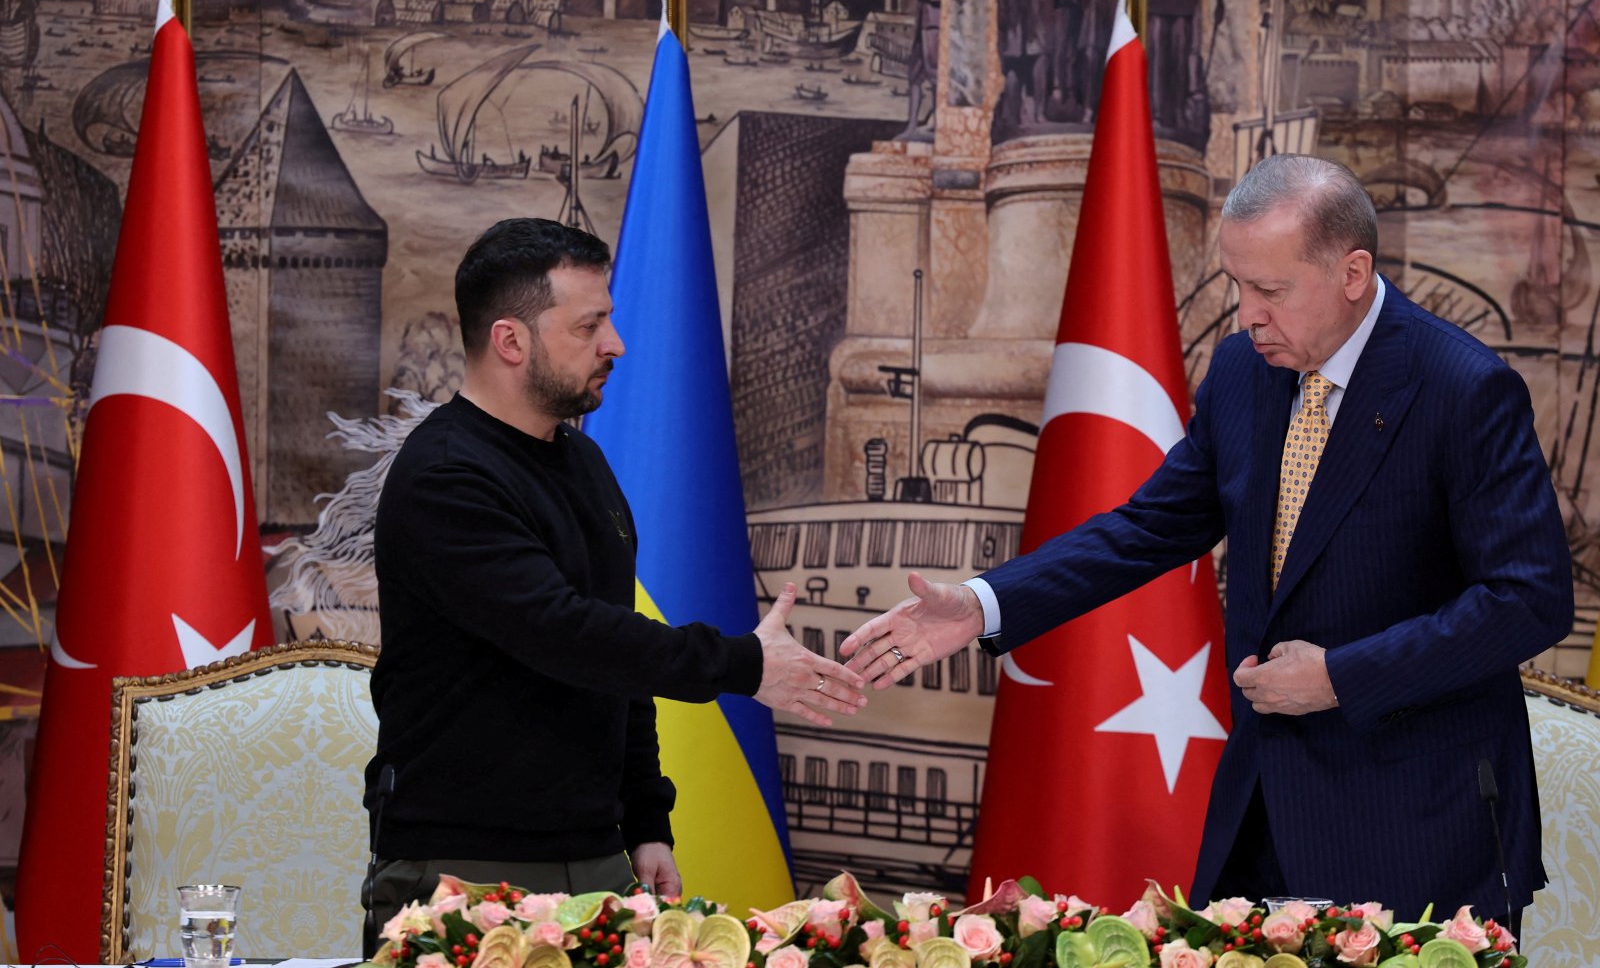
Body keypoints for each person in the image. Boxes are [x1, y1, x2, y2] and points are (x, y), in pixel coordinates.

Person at [843, 155, 1571, 927]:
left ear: (1353, 272)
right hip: (1259, 813)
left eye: (1271, 291)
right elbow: (1150, 526)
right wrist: (983, 606)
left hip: (1418, 827)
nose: (1246, 314)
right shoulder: (1240, 371)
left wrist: (1342, 678)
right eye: (1236, 285)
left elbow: (1528, 599)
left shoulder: (1464, 388)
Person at [365, 218, 866, 934]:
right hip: (463, 871)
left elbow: (619, 654)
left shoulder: (583, 463)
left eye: (611, 320)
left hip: (599, 861)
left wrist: (645, 821)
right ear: (511, 341)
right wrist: (742, 664)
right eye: (589, 325)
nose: (615, 345)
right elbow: (564, 633)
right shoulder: (446, 476)